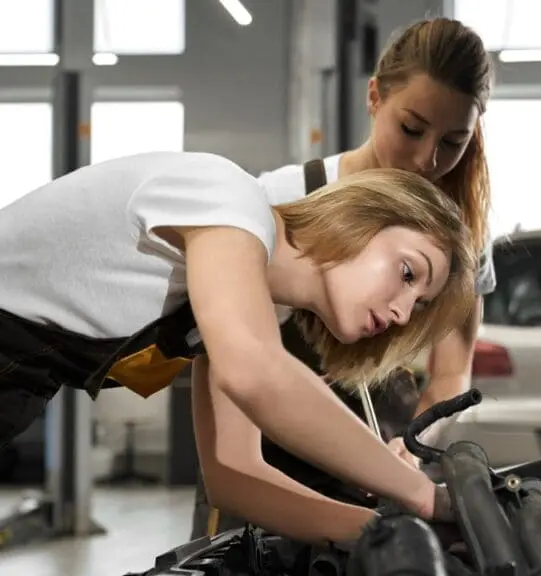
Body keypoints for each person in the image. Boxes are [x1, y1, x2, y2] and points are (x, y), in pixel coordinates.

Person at [0, 150, 476, 544]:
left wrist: (392, 534)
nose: (402, 313)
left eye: (418, 304)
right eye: (408, 273)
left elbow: (234, 475)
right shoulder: (225, 199)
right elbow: (256, 374)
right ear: (361, 216)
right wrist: (423, 494)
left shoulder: (247, 300)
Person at [189, 16, 499, 537]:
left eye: (453, 142)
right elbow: (238, 403)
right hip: (266, 471)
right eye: (412, 129)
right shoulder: (275, 201)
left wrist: (412, 447)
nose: (427, 159)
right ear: (375, 97)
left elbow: (451, 373)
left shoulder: (460, 242)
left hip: (382, 472)